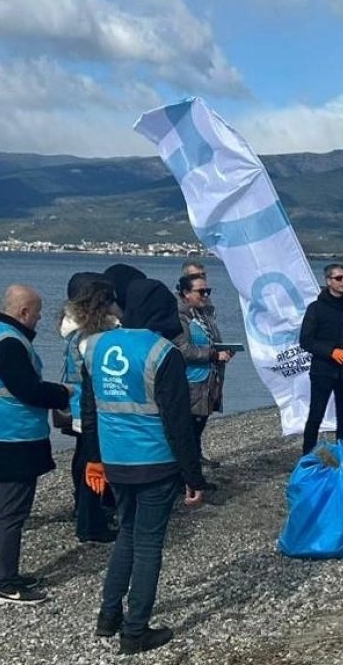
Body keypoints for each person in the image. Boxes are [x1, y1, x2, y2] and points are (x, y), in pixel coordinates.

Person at [80, 279, 206, 655]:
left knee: (127, 533)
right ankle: (135, 630)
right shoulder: (164, 353)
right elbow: (178, 423)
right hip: (154, 461)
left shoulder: (95, 346)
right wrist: (193, 476)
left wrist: (95, 458)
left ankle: (108, 616)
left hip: (115, 458)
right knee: (148, 543)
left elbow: (89, 411)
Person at [0, 284, 72, 604]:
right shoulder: (9, 341)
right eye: (37, 314)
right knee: (12, 512)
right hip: (12, 437)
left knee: (1, 509)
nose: (39, 320)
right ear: (23, 311)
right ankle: (4, 583)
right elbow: (28, 389)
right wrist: (62, 393)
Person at [57, 272, 119, 544]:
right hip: (89, 407)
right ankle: (91, 522)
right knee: (92, 463)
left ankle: (85, 513)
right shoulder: (91, 337)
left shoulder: (75, 333)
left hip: (77, 404)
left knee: (83, 458)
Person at [299, 264, 343, 454]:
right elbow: (306, 340)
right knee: (316, 414)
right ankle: (307, 455)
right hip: (323, 370)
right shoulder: (316, 308)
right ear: (328, 281)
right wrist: (331, 351)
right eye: (339, 278)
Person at [174, 273, 230, 473]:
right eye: (201, 291)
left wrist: (225, 351)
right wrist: (214, 354)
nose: (205, 295)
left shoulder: (203, 314)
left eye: (208, 291)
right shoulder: (180, 316)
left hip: (208, 379)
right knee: (189, 427)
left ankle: (195, 464)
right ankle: (188, 472)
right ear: (186, 293)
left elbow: (211, 341)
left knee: (198, 426)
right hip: (191, 380)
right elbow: (183, 349)